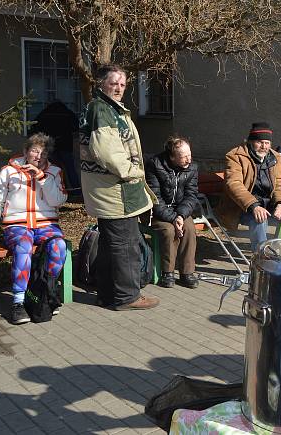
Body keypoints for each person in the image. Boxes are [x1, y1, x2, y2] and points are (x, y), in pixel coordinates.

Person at [79, 64, 159, 311]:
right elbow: (107, 153)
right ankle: (127, 297)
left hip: (112, 190)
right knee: (124, 245)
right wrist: (133, 171)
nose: (119, 88)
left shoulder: (108, 109)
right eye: (114, 83)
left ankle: (106, 293)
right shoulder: (102, 110)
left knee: (110, 245)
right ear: (101, 83)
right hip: (115, 191)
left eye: (123, 84)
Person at [0, 133, 68, 325]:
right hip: (17, 225)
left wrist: (41, 178)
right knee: (23, 246)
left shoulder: (54, 172)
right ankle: (18, 302)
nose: (39, 157)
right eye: (35, 151)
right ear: (25, 151)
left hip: (46, 224)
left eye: (44, 153)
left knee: (58, 247)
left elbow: (58, 200)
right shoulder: (9, 171)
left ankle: (43, 291)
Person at [216, 122, 281, 250]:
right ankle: (260, 257)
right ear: (250, 142)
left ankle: (280, 250)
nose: (264, 147)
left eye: (267, 143)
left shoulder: (275, 157)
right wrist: (254, 206)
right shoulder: (235, 156)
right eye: (260, 142)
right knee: (260, 219)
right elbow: (234, 184)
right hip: (241, 207)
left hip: (267, 204)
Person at [145, 136, 200, 289]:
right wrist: (173, 218)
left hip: (181, 210)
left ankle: (187, 272)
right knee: (169, 231)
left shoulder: (192, 168)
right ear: (172, 157)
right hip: (159, 212)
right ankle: (167, 272)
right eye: (184, 157)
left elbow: (191, 195)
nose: (189, 160)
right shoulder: (154, 165)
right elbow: (155, 198)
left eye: (190, 155)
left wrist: (181, 215)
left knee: (189, 228)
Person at [29, 100, 80, 195]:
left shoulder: (45, 114)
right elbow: (76, 127)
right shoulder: (67, 113)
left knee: (53, 169)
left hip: (50, 146)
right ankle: (76, 190)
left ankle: (58, 189)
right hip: (66, 145)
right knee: (70, 169)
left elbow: (35, 126)